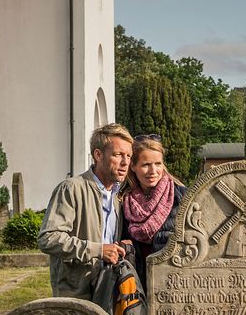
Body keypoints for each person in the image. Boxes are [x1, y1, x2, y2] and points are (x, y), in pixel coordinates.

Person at [38, 123, 134, 300]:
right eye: (118, 154)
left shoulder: (118, 196)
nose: (125, 162)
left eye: (128, 156)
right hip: (75, 292)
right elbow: (48, 238)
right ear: (98, 155)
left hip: (108, 288)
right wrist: (98, 250)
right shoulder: (71, 189)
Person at [120, 134, 188, 283]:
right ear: (133, 166)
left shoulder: (182, 196)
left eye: (158, 164)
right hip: (136, 281)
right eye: (146, 165)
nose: (153, 171)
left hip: (173, 280)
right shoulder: (123, 201)